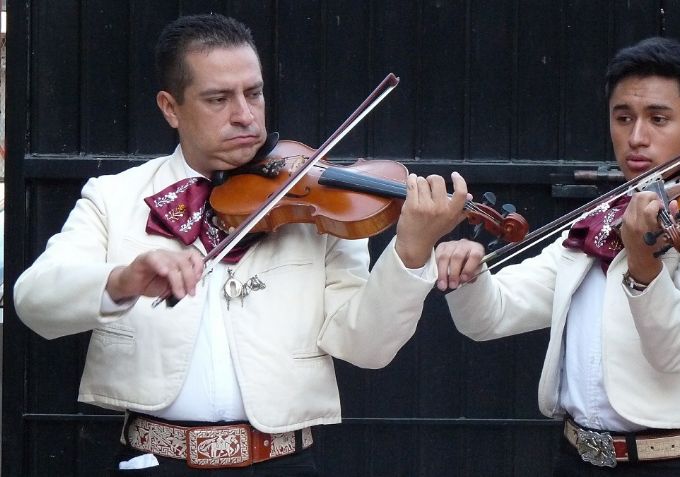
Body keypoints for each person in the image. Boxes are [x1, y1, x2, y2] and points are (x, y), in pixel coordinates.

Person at [14, 13, 469, 476]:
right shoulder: (115, 197)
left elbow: (367, 348)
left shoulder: (322, 207)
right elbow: (34, 301)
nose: (245, 116)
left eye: (254, 93)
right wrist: (121, 280)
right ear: (171, 108)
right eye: (218, 99)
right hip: (155, 462)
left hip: (284, 463)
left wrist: (411, 252)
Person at [435, 37, 680, 475]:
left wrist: (644, 263)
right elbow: (490, 317)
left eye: (658, 119)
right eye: (623, 118)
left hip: (675, 463)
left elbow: (675, 351)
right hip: (575, 459)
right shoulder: (605, 215)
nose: (636, 137)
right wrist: (468, 271)